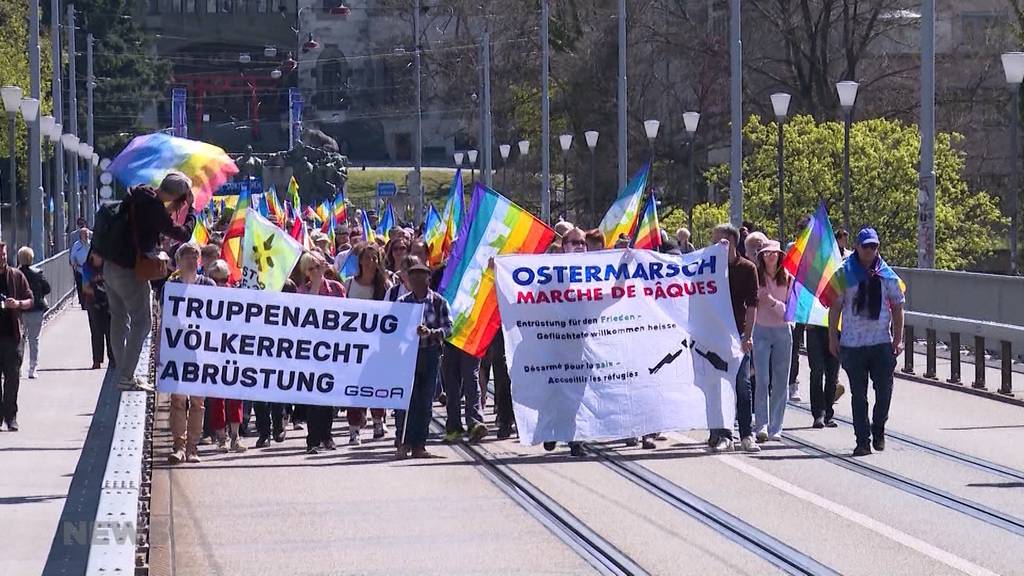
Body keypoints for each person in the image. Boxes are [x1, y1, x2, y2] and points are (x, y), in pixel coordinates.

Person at [99, 173, 196, 392]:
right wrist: (191, 210)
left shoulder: (141, 195)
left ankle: (122, 370)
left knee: (118, 317)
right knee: (143, 322)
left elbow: (147, 226)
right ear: (177, 196)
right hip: (128, 271)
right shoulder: (154, 209)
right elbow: (183, 234)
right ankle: (126, 376)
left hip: (110, 266)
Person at [829, 228, 904, 457]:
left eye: (874, 246)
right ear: (858, 247)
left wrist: (899, 339)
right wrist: (833, 337)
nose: (870, 251)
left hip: (881, 342)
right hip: (853, 344)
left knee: (884, 392)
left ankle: (878, 427)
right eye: (866, 246)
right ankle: (862, 441)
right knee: (858, 395)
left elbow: (898, 306)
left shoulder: (886, 274)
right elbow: (835, 308)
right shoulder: (844, 273)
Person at [709, 224, 760, 453]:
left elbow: (752, 306)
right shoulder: (709, 268)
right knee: (719, 385)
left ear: (729, 241)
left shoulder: (747, 268)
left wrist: (748, 336)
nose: (714, 245)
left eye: (718, 241)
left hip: (738, 334)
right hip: (714, 335)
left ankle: (747, 435)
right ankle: (724, 435)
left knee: (742, 384)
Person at [395, 262, 452, 459]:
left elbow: (448, 328)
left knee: (425, 402)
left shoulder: (439, 302)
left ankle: (420, 443)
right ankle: (403, 441)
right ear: (409, 281)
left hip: (429, 355)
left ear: (428, 279)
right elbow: (393, 329)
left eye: (422, 277)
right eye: (413, 277)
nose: (418, 281)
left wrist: (432, 333)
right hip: (406, 357)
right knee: (406, 400)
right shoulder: (402, 303)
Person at [166, 242, 215, 464]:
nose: (191, 261)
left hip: (202, 351)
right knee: (178, 400)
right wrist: (159, 351)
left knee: (197, 401)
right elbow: (164, 321)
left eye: (194, 257)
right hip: (177, 350)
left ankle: (193, 447)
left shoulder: (208, 285)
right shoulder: (171, 287)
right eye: (187, 257)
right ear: (179, 261)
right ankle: (179, 446)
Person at [542, 227, 588, 457]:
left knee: (576, 392)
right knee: (555, 390)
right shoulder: (550, 273)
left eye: (582, 243)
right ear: (564, 246)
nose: (579, 246)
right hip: (553, 342)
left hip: (581, 344)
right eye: (574, 242)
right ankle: (550, 429)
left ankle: (575, 439)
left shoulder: (593, 272)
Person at [297, 250, 346, 454]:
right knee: (312, 395)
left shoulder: (337, 288)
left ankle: (327, 435)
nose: (317, 271)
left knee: (328, 394)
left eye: (320, 266)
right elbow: (305, 312)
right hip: (311, 349)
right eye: (312, 268)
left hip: (333, 348)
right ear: (307, 272)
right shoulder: (302, 290)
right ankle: (312, 440)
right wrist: (315, 285)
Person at [342, 243, 390, 444]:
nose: (371, 262)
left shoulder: (385, 286)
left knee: (375, 385)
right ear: (360, 260)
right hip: (353, 345)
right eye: (367, 258)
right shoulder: (348, 284)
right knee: (354, 388)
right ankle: (354, 429)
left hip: (376, 346)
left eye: (375, 259)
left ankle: (378, 421)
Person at [751, 241, 792, 443]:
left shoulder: (788, 279)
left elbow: (790, 311)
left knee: (780, 381)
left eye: (774, 253)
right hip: (760, 331)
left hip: (782, 332)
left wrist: (773, 303)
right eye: (767, 254)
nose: (771, 256)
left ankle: (777, 426)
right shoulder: (756, 277)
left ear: (780, 255)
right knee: (762, 380)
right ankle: (762, 425)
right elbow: (751, 304)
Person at [0, 241, 34, 431]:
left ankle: (11, 417)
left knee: (12, 378)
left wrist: (18, 304)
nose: (2, 258)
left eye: (4, 255)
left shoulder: (16, 276)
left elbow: (31, 300)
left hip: (12, 337)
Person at [16, 247, 50, 379]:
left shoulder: (16, 274)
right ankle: (32, 368)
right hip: (36, 309)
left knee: (20, 339)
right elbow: (47, 288)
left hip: (20, 310)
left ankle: (17, 368)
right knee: (34, 339)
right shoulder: (38, 273)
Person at [81, 251, 114, 370]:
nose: (96, 257)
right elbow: (85, 288)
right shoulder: (87, 267)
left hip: (109, 301)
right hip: (93, 302)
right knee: (96, 331)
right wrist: (99, 291)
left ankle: (113, 359)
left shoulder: (108, 266)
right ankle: (97, 360)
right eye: (94, 255)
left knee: (111, 331)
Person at [70, 227, 91, 308]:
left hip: (89, 268)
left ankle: (88, 301)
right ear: (81, 235)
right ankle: (82, 302)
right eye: (84, 235)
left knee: (89, 285)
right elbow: (73, 255)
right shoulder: (77, 245)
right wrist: (73, 263)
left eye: (87, 234)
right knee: (80, 285)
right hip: (79, 268)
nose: (86, 236)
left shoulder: (91, 244)